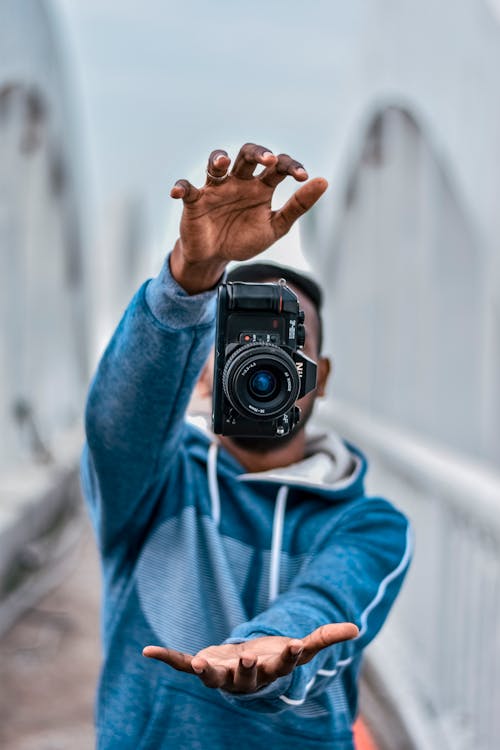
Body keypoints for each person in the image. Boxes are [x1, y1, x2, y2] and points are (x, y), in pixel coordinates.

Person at [81, 143, 412, 750]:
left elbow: (328, 598)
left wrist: (270, 644)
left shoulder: (369, 526)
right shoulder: (156, 480)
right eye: (240, 345)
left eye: (288, 346)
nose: (265, 367)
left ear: (322, 373)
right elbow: (116, 420)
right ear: (203, 373)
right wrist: (190, 277)